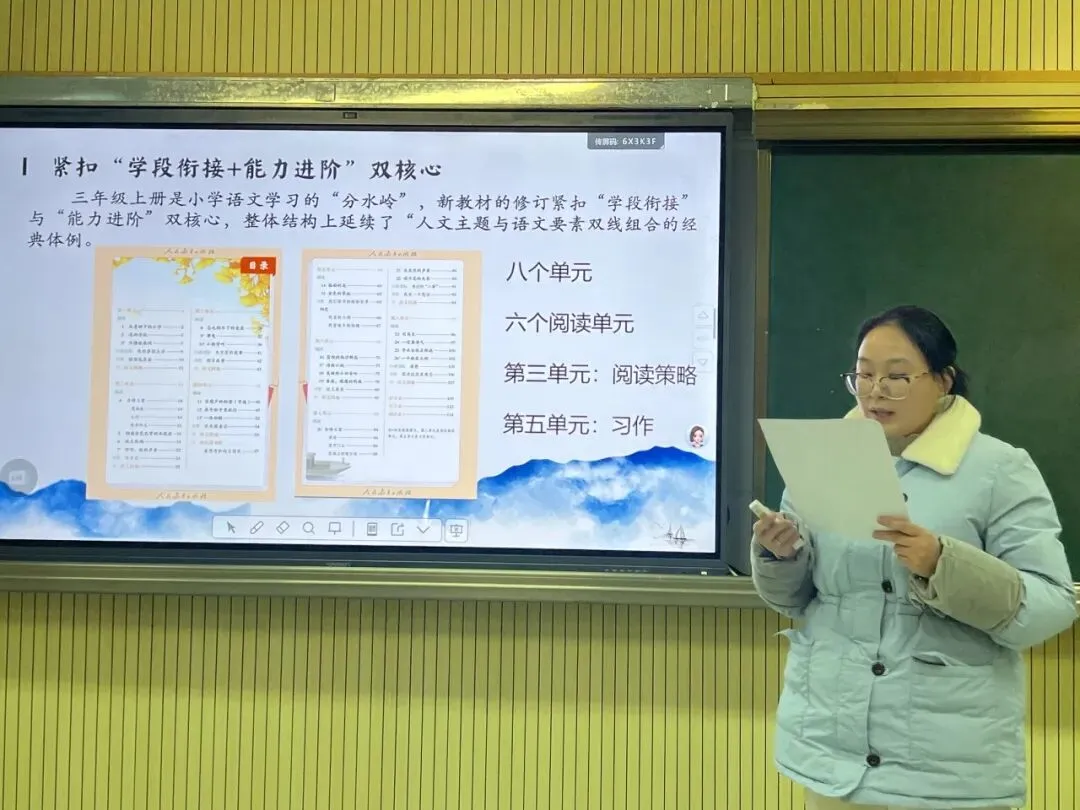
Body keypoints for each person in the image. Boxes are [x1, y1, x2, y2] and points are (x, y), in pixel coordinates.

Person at [751, 305, 1076, 810]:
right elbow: (795, 601)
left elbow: (1051, 605)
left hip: (945, 769)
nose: (875, 391)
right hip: (832, 755)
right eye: (863, 375)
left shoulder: (999, 470)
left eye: (897, 377)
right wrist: (781, 555)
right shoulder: (824, 459)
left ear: (944, 380)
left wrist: (943, 564)